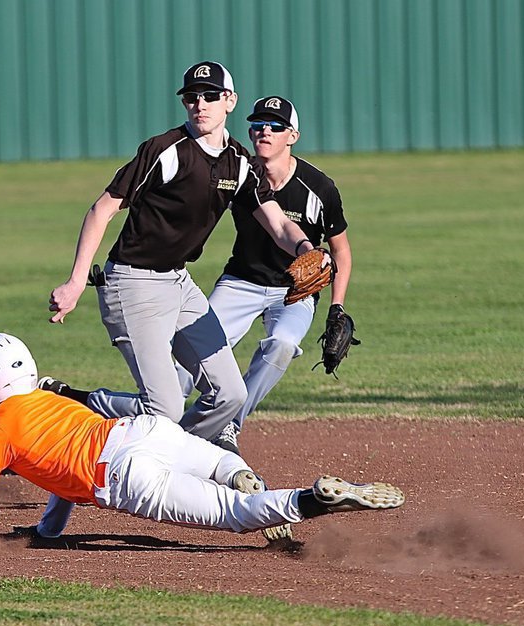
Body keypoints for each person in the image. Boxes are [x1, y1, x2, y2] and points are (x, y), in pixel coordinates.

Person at [47, 62, 327, 450]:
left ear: (230, 101)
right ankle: (72, 416)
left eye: (210, 95)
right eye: (192, 97)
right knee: (164, 408)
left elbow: (279, 224)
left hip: (178, 283)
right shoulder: (165, 150)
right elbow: (103, 209)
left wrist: (307, 250)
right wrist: (77, 281)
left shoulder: (240, 162)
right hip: (131, 284)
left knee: (230, 395)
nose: (200, 103)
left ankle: (181, 456)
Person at [0, 333, 404, 544]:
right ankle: (237, 471)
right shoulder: (50, 402)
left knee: (236, 515)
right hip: (145, 431)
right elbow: (58, 477)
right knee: (222, 469)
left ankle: (309, 500)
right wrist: (47, 531)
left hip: (121, 474)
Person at [175, 96, 354, 454]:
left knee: (282, 346)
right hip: (241, 281)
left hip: (294, 292)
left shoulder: (319, 188)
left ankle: (228, 425)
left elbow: (341, 251)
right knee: (188, 355)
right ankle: (160, 422)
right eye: (257, 125)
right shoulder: (240, 174)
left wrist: (336, 308)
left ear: (293, 136)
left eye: (274, 126)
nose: (264, 132)